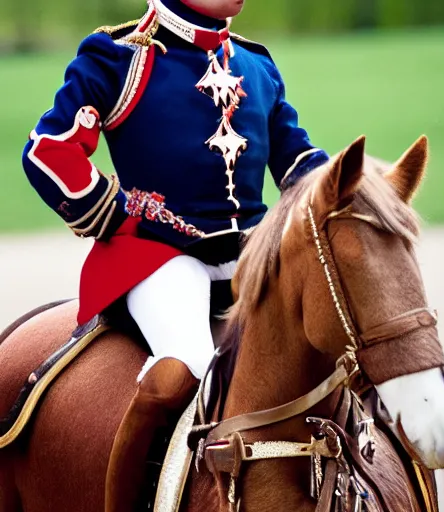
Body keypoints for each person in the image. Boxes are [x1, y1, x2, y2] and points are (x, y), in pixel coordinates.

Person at [21, 0, 329, 508]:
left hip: (248, 259)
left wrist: (351, 187)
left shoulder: (255, 63)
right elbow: (47, 149)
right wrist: (113, 212)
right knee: (192, 369)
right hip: (158, 257)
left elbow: (296, 159)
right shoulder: (117, 58)